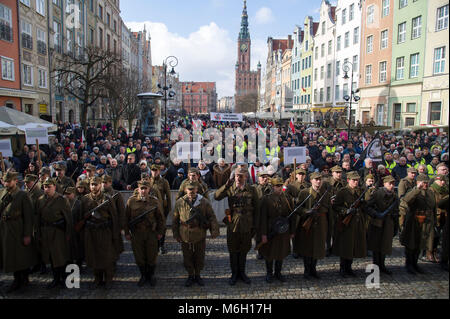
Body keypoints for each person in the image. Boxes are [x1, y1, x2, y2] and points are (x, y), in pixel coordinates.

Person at [214, 167, 259, 285]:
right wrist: (226, 185)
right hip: (233, 224)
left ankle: (242, 273)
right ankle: (234, 274)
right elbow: (216, 196)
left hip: (247, 224)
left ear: (246, 177)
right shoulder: (230, 188)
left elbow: (257, 208)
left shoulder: (252, 189)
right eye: (236, 176)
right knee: (233, 250)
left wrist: (255, 226)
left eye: (241, 176)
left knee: (244, 250)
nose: (238, 178)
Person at [172, 181, 219, 287]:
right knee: (187, 256)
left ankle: (197, 275)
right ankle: (190, 275)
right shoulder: (180, 202)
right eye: (189, 189)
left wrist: (214, 230)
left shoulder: (204, 201)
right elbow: (175, 219)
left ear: (197, 190)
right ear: (185, 190)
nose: (191, 191)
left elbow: (211, 216)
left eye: (193, 189)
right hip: (185, 234)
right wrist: (176, 234)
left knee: (199, 255)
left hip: (199, 233)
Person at [0, 171, 37, 294]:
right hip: (5, 228)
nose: (6, 184)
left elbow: (28, 216)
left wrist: (27, 234)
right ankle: (18, 278)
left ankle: (22, 278)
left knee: (21, 255)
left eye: (9, 181)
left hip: (18, 228)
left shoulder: (22, 195)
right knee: (10, 254)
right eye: (5, 181)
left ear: (15, 181)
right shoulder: (3, 193)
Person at [80, 176, 120, 289]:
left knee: (106, 255)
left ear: (100, 185)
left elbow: (114, 217)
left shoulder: (107, 198)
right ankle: (97, 278)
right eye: (92, 185)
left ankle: (108, 279)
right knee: (93, 255)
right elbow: (81, 217)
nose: (93, 187)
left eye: (96, 184)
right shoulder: (85, 199)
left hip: (104, 230)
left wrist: (115, 234)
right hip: (91, 231)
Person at [124, 179, 165, 287]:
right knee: (139, 256)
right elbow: (126, 218)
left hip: (151, 232)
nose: (143, 191)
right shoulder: (131, 201)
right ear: (138, 189)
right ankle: (143, 275)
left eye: (145, 188)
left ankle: (151, 275)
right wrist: (127, 232)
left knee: (152, 255)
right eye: (141, 188)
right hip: (137, 233)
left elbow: (160, 218)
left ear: (149, 189)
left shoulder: (154, 201)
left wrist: (160, 232)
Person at [35, 178, 73, 289]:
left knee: (59, 255)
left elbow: (68, 218)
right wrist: (38, 233)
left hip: (58, 232)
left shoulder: (61, 199)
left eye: (49, 187)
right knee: (50, 256)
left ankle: (63, 277)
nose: (47, 189)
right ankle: (55, 278)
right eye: (45, 187)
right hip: (46, 231)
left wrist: (68, 233)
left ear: (54, 187)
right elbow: (38, 217)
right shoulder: (40, 200)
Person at [294, 172, 331, 279]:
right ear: (311, 181)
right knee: (307, 247)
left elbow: (328, 209)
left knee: (318, 247)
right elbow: (298, 208)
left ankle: (313, 269)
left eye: (319, 179)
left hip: (321, 223)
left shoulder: (325, 194)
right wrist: (307, 212)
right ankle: (307, 270)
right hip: (308, 224)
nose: (318, 181)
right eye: (316, 179)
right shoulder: (304, 193)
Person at [258, 177, 295, 283]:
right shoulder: (266, 199)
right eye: (277, 186)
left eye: (280, 186)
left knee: (281, 251)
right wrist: (264, 234)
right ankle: (269, 273)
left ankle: (278, 272)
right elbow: (263, 218)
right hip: (271, 229)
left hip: (283, 230)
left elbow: (292, 216)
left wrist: (292, 231)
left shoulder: (287, 198)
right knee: (269, 252)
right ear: (273, 187)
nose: (279, 188)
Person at [332, 171, 368, 277]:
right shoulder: (343, 192)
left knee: (354, 245)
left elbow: (364, 206)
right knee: (345, 246)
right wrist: (345, 211)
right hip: (346, 223)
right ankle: (343, 268)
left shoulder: (360, 191)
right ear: (348, 180)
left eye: (357, 180)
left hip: (357, 221)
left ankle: (349, 267)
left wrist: (362, 203)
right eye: (354, 180)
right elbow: (335, 206)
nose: (356, 182)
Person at [400, 174, 436, 275]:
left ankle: (415, 264)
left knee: (420, 243)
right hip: (414, 221)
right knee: (411, 243)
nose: (426, 184)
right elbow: (406, 200)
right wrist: (417, 189)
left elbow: (433, 207)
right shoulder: (413, 191)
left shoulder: (430, 192)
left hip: (426, 222)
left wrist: (434, 221)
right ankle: (409, 264)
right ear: (418, 182)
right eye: (424, 182)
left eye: (427, 182)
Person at [366, 175, 399, 275]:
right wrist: (376, 214)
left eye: (393, 184)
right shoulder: (377, 193)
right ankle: (376, 266)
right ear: (384, 184)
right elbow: (367, 206)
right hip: (377, 222)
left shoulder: (394, 195)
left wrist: (396, 224)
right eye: (390, 183)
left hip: (388, 222)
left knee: (385, 244)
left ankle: (382, 265)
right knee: (376, 245)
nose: (392, 186)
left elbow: (397, 210)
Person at [102, 175, 126, 265]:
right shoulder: (98, 194)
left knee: (113, 244)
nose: (103, 185)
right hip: (101, 225)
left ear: (110, 183)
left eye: (106, 183)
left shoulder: (116, 194)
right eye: (102, 183)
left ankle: (113, 262)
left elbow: (121, 211)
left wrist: (121, 225)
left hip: (113, 223)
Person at [323, 165, 346, 256]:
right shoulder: (326, 183)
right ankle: (328, 247)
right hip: (329, 209)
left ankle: (337, 247)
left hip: (340, 208)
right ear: (332, 173)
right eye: (337, 172)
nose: (339, 174)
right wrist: (328, 201)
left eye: (340, 172)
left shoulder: (344, 183)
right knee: (329, 228)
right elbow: (321, 195)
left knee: (339, 228)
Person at [150, 164, 172, 254]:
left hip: (161, 208)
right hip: (150, 209)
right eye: (153, 170)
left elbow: (168, 196)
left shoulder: (164, 182)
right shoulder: (148, 181)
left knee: (161, 227)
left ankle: (161, 245)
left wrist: (168, 209)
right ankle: (153, 245)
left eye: (156, 170)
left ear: (159, 171)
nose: (154, 172)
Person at [429, 175, 448, 263]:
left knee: (441, 235)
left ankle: (436, 251)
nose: (442, 183)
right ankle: (430, 252)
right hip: (435, 214)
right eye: (441, 181)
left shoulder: (446, 190)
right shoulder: (431, 190)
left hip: (444, 215)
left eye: (443, 181)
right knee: (433, 235)